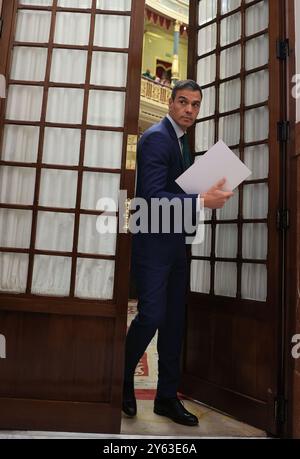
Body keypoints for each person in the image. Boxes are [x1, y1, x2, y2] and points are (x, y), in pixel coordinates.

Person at [123, 80, 234, 426]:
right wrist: (202, 200)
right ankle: (121, 377)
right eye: (183, 102)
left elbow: (175, 190)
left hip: (175, 243)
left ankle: (166, 398)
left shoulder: (182, 141)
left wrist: (205, 189)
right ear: (170, 103)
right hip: (153, 243)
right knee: (152, 316)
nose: (189, 109)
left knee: (173, 322)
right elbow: (153, 196)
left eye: (195, 104)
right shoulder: (157, 137)